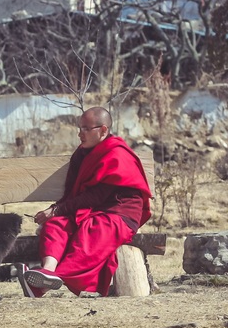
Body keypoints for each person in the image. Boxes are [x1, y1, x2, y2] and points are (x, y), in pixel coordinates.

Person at [19, 107, 152, 298]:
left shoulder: (117, 154)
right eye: (79, 128)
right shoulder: (82, 153)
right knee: (56, 226)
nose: (79, 134)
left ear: (103, 130)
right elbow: (74, 191)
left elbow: (97, 195)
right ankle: (47, 270)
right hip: (90, 210)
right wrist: (55, 212)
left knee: (88, 239)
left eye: (85, 129)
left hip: (118, 214)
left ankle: (47, 282)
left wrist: (58, 209)